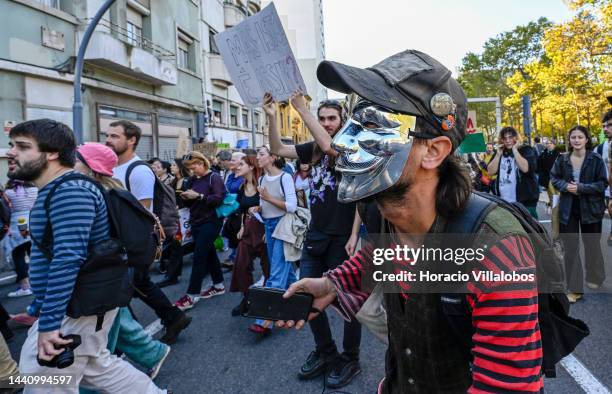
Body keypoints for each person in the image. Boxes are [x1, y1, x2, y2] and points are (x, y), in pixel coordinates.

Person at [276, 49, 543, 393]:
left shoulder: (496, 253)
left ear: (433, 151)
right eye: (351, 125)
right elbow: (380, 255)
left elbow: (507, 387)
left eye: (371, 127)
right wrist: (333, 284)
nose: (341, 143)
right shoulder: (388, 214)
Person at [7, 119, 165, 393]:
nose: (11, 152)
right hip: (76, 306)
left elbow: (68, 259)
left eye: (22, 146)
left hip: (76, 306)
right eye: (12, 145)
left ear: (52, 152)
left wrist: (49, 323)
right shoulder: (59, 190)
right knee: (97, 369)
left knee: (41, 379)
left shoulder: (70, 191)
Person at [265, 92, 363, 387]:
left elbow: (360, 198)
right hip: (315, 236)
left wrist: (356, 235)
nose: (326, 123)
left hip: (342, 238)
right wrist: (270, 117)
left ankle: (350, 357)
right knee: (305, 295)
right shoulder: (312, 151)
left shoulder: (351, 147)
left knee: (346, 300)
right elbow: (277, 148)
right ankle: (325, 350)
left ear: (341, 120)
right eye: (322, 119)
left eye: (331, 118)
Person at [106, 120, 191, 345]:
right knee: (138, 285)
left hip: (135, 240)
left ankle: (137, 343)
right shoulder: (114, 167)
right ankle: (173, 317)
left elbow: (142, 212)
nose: (108, 140)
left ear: (131, 140)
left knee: (124, 289)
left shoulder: (139, 170)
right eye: (108, 135)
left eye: (115, 136)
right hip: (121, 240)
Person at [551, 125, 607, 303]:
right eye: (573, 137)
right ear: (569, 139)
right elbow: (554, 178)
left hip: (591, 208)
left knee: (592, 245)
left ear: (586, 139)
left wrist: (581, 188)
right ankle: (575, 289)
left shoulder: (596, 159)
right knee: (571, 248)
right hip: (568, 209)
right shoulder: (562, 159)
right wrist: (565, 186)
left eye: (580, 137)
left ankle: (595, 277)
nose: (576, 140)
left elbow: (602, 184)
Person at [248, 146, 298, 335]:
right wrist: (257, 209)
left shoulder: (285, 177)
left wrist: (268, 197)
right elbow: (265, 205)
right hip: (269, 227)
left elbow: (292, 207)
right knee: (286, 270)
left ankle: (265, 319)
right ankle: (300, 300)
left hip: (283, 226)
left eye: (261, 154)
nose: (258, 157)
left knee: (276, 273)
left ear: (273, 157)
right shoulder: (261, 178)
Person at [174, 152, 226, 311]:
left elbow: (218, 199)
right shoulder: (191, 180)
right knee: (209, 253)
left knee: (199, 257)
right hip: (195, 221)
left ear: (203, 163)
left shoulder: (214, 177)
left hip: (211, 221)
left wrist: (199, 196)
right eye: (189, 168)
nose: (192, 170)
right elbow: (189, 204)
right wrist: (184, 195)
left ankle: (191, 295)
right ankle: (218, 285)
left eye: (194, 165)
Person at [229, 154, 269, 316]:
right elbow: (243, 211)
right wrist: (241, 227)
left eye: (241, 164)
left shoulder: (264, 184)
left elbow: (272, 207)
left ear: (251, 166)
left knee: (269, 269)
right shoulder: (241, 187)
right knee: (240, 266)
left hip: (265, 230)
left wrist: (268, 230)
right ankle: (247, 299)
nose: (236, 167)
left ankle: (270, 301)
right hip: (248, 230)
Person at [487, 126, 540, 218]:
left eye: (510, 137)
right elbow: (490, 172)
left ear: (516, 138)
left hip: (524, 203)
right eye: (505, 138)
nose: (507, 140)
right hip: (504, 202)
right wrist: (498, 154)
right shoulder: (500, 153)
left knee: (528, 231)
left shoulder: (526, 150)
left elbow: (525, 168)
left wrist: (515, 150)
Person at [156, 158, 190, 288]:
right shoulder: (174, 181)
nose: (172, 167)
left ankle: (172, 275)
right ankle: (172, 275)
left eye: (175, 165)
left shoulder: (186, 181)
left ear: (181, 167)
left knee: (178, 246)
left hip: (185, 218)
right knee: (176, 246)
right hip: (178, 219)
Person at [2, 179, 37, 297]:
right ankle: (39, 282)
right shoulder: (34, 190)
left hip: (18, 225)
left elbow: (5, 210)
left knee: (18, 254)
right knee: (35, 254)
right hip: (33, 223)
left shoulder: (9, 193)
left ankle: (25, 286)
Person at [595, 109, 612, 245]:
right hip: (607, 192)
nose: (606, 129)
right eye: (604, 126)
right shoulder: (599, 149)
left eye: (609, 125)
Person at [538, 138, 560, 211]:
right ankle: (553, 207)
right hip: (547, 178)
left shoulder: (558, 154)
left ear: (554, 145)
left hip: (557, 178)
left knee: (556, 195)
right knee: (552, 195)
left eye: (550, 143)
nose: (548, 145)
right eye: (547, 143)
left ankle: (554, 206)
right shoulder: (543, 154)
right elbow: (539, 166)